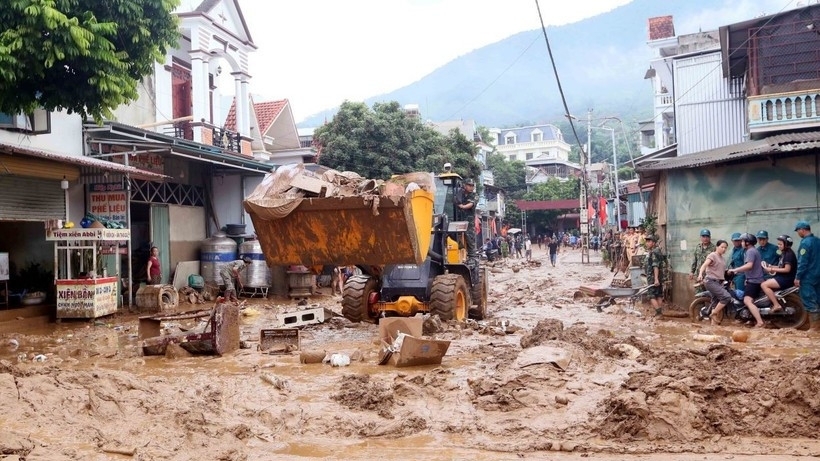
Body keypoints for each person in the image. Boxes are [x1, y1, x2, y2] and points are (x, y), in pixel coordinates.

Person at [727, 233, 765, 328]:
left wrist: (735, 270)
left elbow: (749, 265)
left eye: (743, 241)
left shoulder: (750, 251)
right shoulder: (752, 250)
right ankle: (751, 319)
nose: (741, 243)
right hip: (753, 279)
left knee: (747, 301)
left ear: (747, 242)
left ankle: (760, 322)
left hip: (754, 281)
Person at [697, 240, 732, 325]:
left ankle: (713, 326)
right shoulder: (712, 255)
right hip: (711, 281)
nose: (724, 249)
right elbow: (704, 265)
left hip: (718, 282)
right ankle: (714, 313)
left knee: (715, 303)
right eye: (722, 247)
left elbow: (720, 270)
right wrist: (700, 274)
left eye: (725, 248)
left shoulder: (722, 259)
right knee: (727, 297)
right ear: (717, 247)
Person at [794, 221, 820, 328]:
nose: (798, 233)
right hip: (818, 275)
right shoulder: (818, 241)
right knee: (818, 299)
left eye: (798, 231)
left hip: (808, 276)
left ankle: (814, 328)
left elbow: (802, 262)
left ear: (802, 230)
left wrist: (798, 277)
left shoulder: (805, 243)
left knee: (809, 299)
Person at [761, 234, 797, 312]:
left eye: (780, 244)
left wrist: (771, 269)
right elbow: (781, 267)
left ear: (786, 245)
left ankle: (776, 305)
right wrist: (770, 266)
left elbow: (787, 269)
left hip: (786, 279)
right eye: (778, 244)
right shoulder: (784, 253)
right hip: (782, 277)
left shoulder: (788, 255)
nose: (779, 246)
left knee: (764, 285)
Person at [643, 234, 666, 317]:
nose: (647, 243)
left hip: (653, 277)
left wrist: (656, 279)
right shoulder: (658, 251)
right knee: (658, 294)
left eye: (649, 241)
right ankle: (659, 312)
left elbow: (655, 266)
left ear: (654, 243)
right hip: (659, 277)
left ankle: (659, 313)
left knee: (651, 295)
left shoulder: (654, 252)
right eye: (647, 241)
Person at [456, 178, 478, 260]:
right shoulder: (459, 193)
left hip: (469, 222)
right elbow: (455, 200)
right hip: (458, 219)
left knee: (470, 238)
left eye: (472, 186)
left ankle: (472, 257)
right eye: (469, 185)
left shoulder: (474, 195)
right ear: (465, 185)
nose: (471, 187)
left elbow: (471, 204)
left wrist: (462, 206)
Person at [728, 232, 746, 297]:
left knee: (740, 295)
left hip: (742, 275)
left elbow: (746, 264)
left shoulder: (743, 250)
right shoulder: (734, 250)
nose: (737, 242)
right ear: (732, 241)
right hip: (735, 275)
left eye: (739, 240)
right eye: (735, 241)